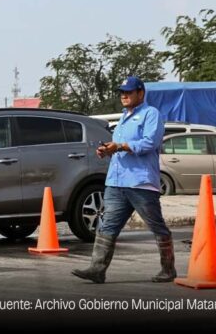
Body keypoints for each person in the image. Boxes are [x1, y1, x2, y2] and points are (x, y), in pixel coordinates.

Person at [72, 76, 176, 284]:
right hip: (116, 182)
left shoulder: (150, 114)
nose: (124, 95)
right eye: (122, 92)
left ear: (141, 93)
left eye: (128, 92)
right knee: (107, 226)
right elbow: (120, 146)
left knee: (156, 226)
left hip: (140, 182)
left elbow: (149, 143)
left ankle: (168, 269)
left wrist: (119, 146)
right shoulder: (123, 117)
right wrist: (108, 150)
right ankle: (97, 269)